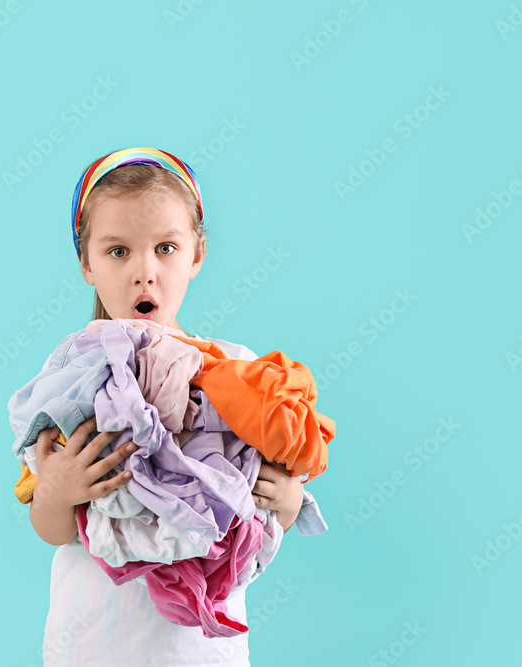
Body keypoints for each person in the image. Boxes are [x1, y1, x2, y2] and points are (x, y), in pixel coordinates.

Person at [27, 147, 311, 666]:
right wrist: (59, 491)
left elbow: (252, 522)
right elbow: (52, 529)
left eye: (165, 248)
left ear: (197, 254)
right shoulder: (71, 380)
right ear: (86, 263)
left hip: (199, 651)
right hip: (93, 646)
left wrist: (287, 504)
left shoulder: (235, 373)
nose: (144, 272)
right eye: (118, 251)